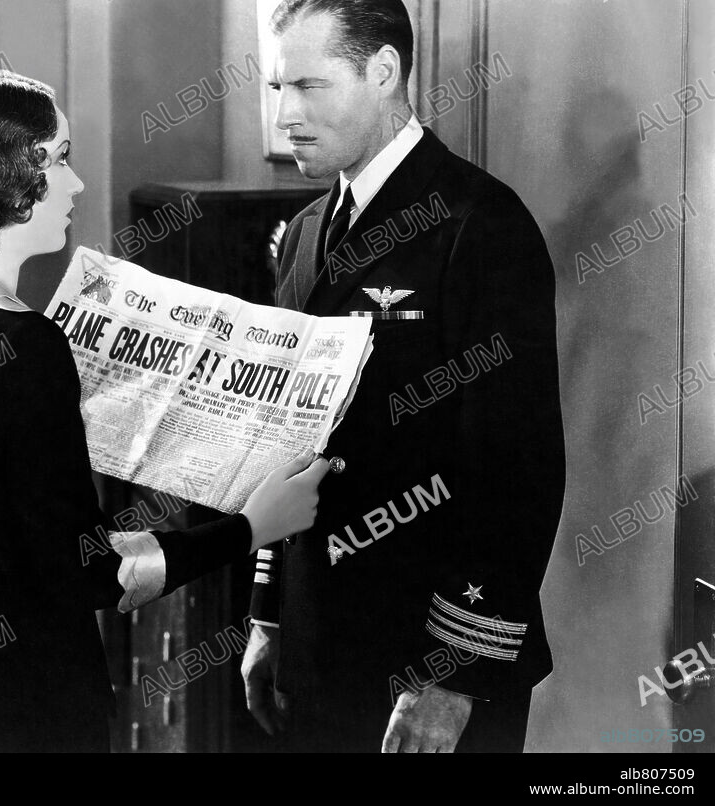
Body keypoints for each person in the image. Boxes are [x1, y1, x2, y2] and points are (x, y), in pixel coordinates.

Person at [0, 67, 329, 753]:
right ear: (8, 176)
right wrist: (251, 527)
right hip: (21, 701)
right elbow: (90, 574)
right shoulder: (20, 342)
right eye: (60, 159)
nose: (76, 185)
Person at [241, 0, 565, 753]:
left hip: (427, 658)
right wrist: (268, 615)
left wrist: (451, 676)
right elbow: (282, 437)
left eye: (311, 87)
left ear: (383, 72)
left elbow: (517, 471)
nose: (288, 114)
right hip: (319, 644)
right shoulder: (302, 238)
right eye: (279, 88)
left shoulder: (480, 226)